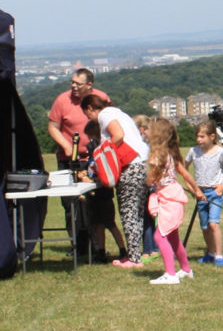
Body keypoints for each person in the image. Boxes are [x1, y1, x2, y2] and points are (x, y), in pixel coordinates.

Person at [81, 94, 150, 268]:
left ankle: (134, 258)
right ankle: (135, 254)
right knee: (137, 213)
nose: (89, 118)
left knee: (128, 212)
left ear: (90, 107)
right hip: (142, 163)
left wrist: (101, 154)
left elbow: (117, 135)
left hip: (130, 166)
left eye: (87, 114)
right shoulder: (119, 113)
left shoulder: (105, 114)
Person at [47, 68, 109, 254]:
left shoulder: (101, 98)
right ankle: (78, 246)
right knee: (71, 204)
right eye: (72, 82)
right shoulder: (62, 100)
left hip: (95, 160)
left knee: (95, 204)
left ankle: (98, 246)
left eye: (78, 83)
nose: (73, 86)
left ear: (89, 85)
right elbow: (53, 127)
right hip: (69, 161)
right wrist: (66, 146)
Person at [145, 119, 204, 285]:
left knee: (159, 236)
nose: (146, 131)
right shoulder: (171, 154)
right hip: (173, 196)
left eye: (149, 129)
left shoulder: (157, 156)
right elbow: (185, 174)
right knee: (173, 238)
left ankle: (170, 274)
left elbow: (150, 180)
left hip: (167, 198)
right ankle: (186, 269)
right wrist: (196, 190)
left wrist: (148, 181)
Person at [186, 120, 223, 267]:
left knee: (213, 224)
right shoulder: (193, 151)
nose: (198, 140)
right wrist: (192, 188)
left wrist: (222, 186)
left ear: (212, 136)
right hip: (200, 193)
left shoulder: (220, 152)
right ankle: (210, 252)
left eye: (202, 137)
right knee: (205, 227)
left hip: (215, 193)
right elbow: (184, 169)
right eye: (197, 137)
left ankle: (219, 255)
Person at [81, 120, 127, 263]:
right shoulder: (93, 153)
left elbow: (105, 170)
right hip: (95, 194)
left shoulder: (102, 150)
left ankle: (123, 250)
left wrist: (96, 171)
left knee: (110, 224)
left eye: (90, 138)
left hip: (105, 194)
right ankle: (101, 251)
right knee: (98, 224)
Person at [133, 114, 161, 264]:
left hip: (149, 184)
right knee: (149, 218)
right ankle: (152, 247)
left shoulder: (145, 145)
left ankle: (150, 249)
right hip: (149, 183)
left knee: (147, 218)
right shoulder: (147, 144)